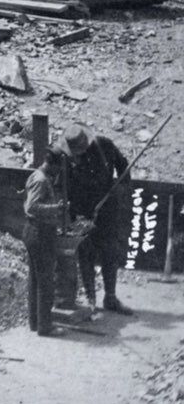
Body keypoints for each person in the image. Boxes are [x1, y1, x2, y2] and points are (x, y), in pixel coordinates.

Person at [62, 124, 133, 315]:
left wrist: (121, 188)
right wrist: (73, 214)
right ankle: (91, 300)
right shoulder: (66, 158)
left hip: (107, 210)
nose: (80, 153)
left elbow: (124, 168)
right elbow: (64, 187)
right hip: (82, 213)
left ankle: (110, 297)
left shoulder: (105, 146)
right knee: (86, 255)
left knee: (110, 252)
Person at [23, 147, 68, 337]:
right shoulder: (41, 180)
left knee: (36, 280)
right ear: (53, 164)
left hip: (35, 232)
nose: (59, 172)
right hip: (40, 233)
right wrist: (55, 208)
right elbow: (32, 207)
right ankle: (45, 326)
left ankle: (35, 322)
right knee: (46, 281)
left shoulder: (37, 175)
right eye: (59, 168)